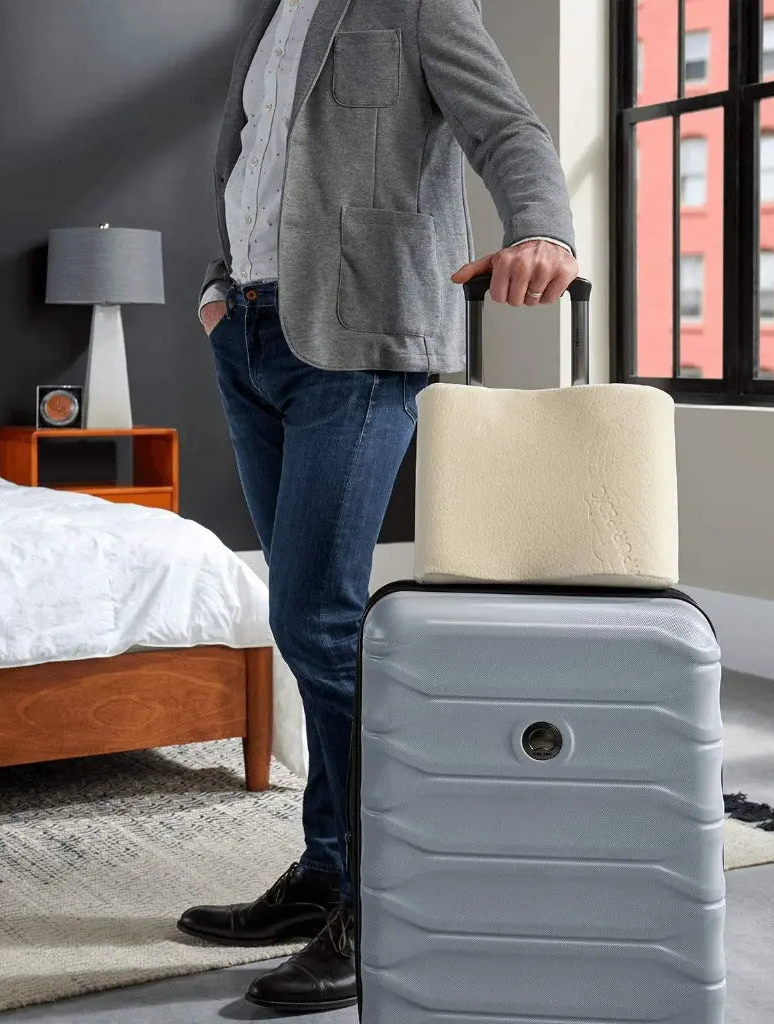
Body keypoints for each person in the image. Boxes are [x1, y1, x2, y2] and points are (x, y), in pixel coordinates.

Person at [177, 0, 578, 1012]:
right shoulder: (263, 14)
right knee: (306, 615)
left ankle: (383, 897)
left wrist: (540, 227)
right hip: (252, 329)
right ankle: (324, 870)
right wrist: (220, 289)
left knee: (314, 614)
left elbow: (508, 127)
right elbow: (256, 156)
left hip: (359, 331)